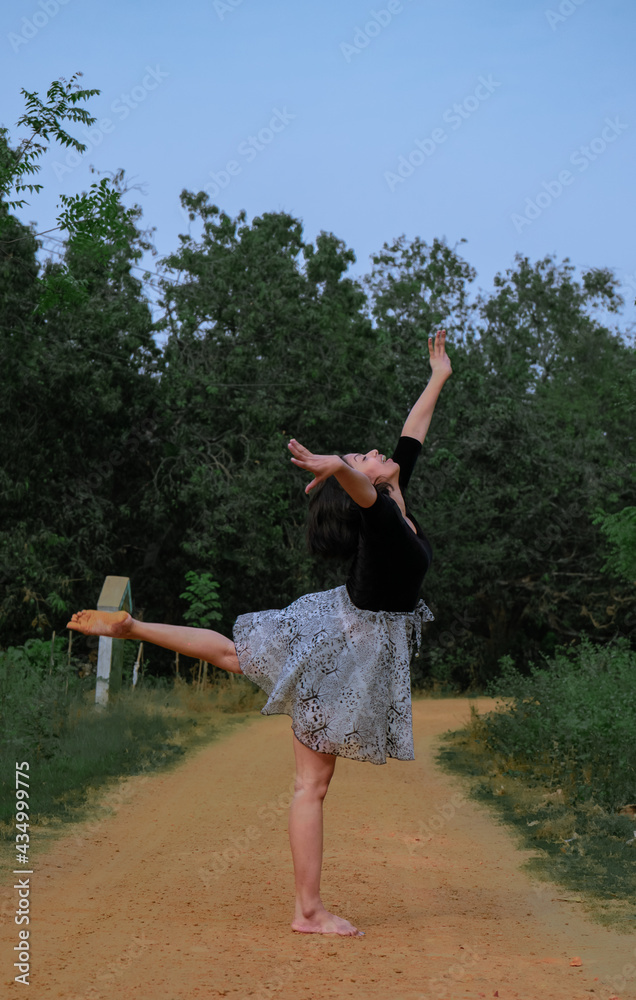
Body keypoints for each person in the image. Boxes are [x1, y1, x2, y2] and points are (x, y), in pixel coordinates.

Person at [67, 329, 453, 938]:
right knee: (311, 784)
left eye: (372, 455)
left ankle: (134, 626)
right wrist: (336, 467)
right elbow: (359, 488)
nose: (378, 453)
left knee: (230, 656)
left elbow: (412, 433)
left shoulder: (392, 499)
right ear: (367, 485)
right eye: (367, 458)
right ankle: (308, 911)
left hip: (341, 628)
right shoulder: (380, 519)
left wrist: (437, 378)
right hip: (344, 648)